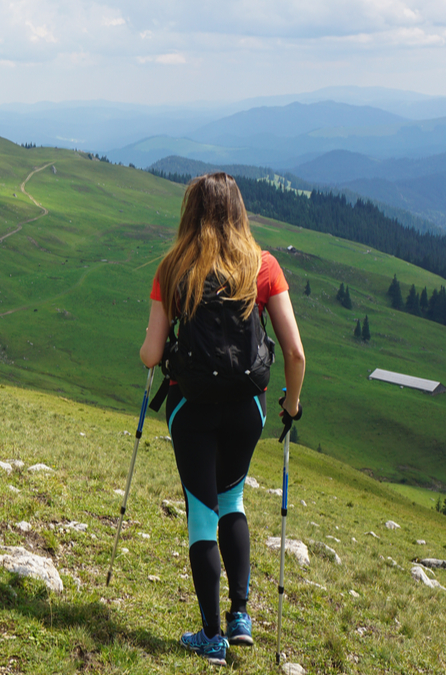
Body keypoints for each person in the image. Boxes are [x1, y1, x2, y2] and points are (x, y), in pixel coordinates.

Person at [139, 172, 306, 667]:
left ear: (190, 211)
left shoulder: (172, 268)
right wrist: (290, 406)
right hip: (247, 408)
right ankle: (240, 619)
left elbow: (151, 355)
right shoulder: (263, 265)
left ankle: (211, 638)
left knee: (201, 513)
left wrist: (157, 349)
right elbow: (295, 353)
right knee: (232, 498)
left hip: (191, 409)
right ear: (238, 211)